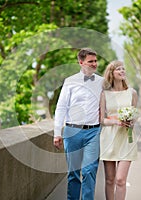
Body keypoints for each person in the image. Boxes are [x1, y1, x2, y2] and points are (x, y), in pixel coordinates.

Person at [53, 48, 104, 200]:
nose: (94, 64)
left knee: (90, 170)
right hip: (72, 131)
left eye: (95, 61)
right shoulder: (70, 81)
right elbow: (61, 107)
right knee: (73, 173)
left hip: (93, 132)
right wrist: (57, 133)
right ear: (81, 63)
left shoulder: (102, 82)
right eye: (91, 61)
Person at [99, 60, 138, 200]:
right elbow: (101, 120)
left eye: (123, 69)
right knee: (110, 180)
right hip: (109, 138)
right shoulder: (104, 94)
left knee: (120, 180)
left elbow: (135, 115)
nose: (122, 71)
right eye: (118, 69)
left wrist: (131, 121)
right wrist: (116, 121)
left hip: (126, 140)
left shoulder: (132, 93)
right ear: (111, 73)